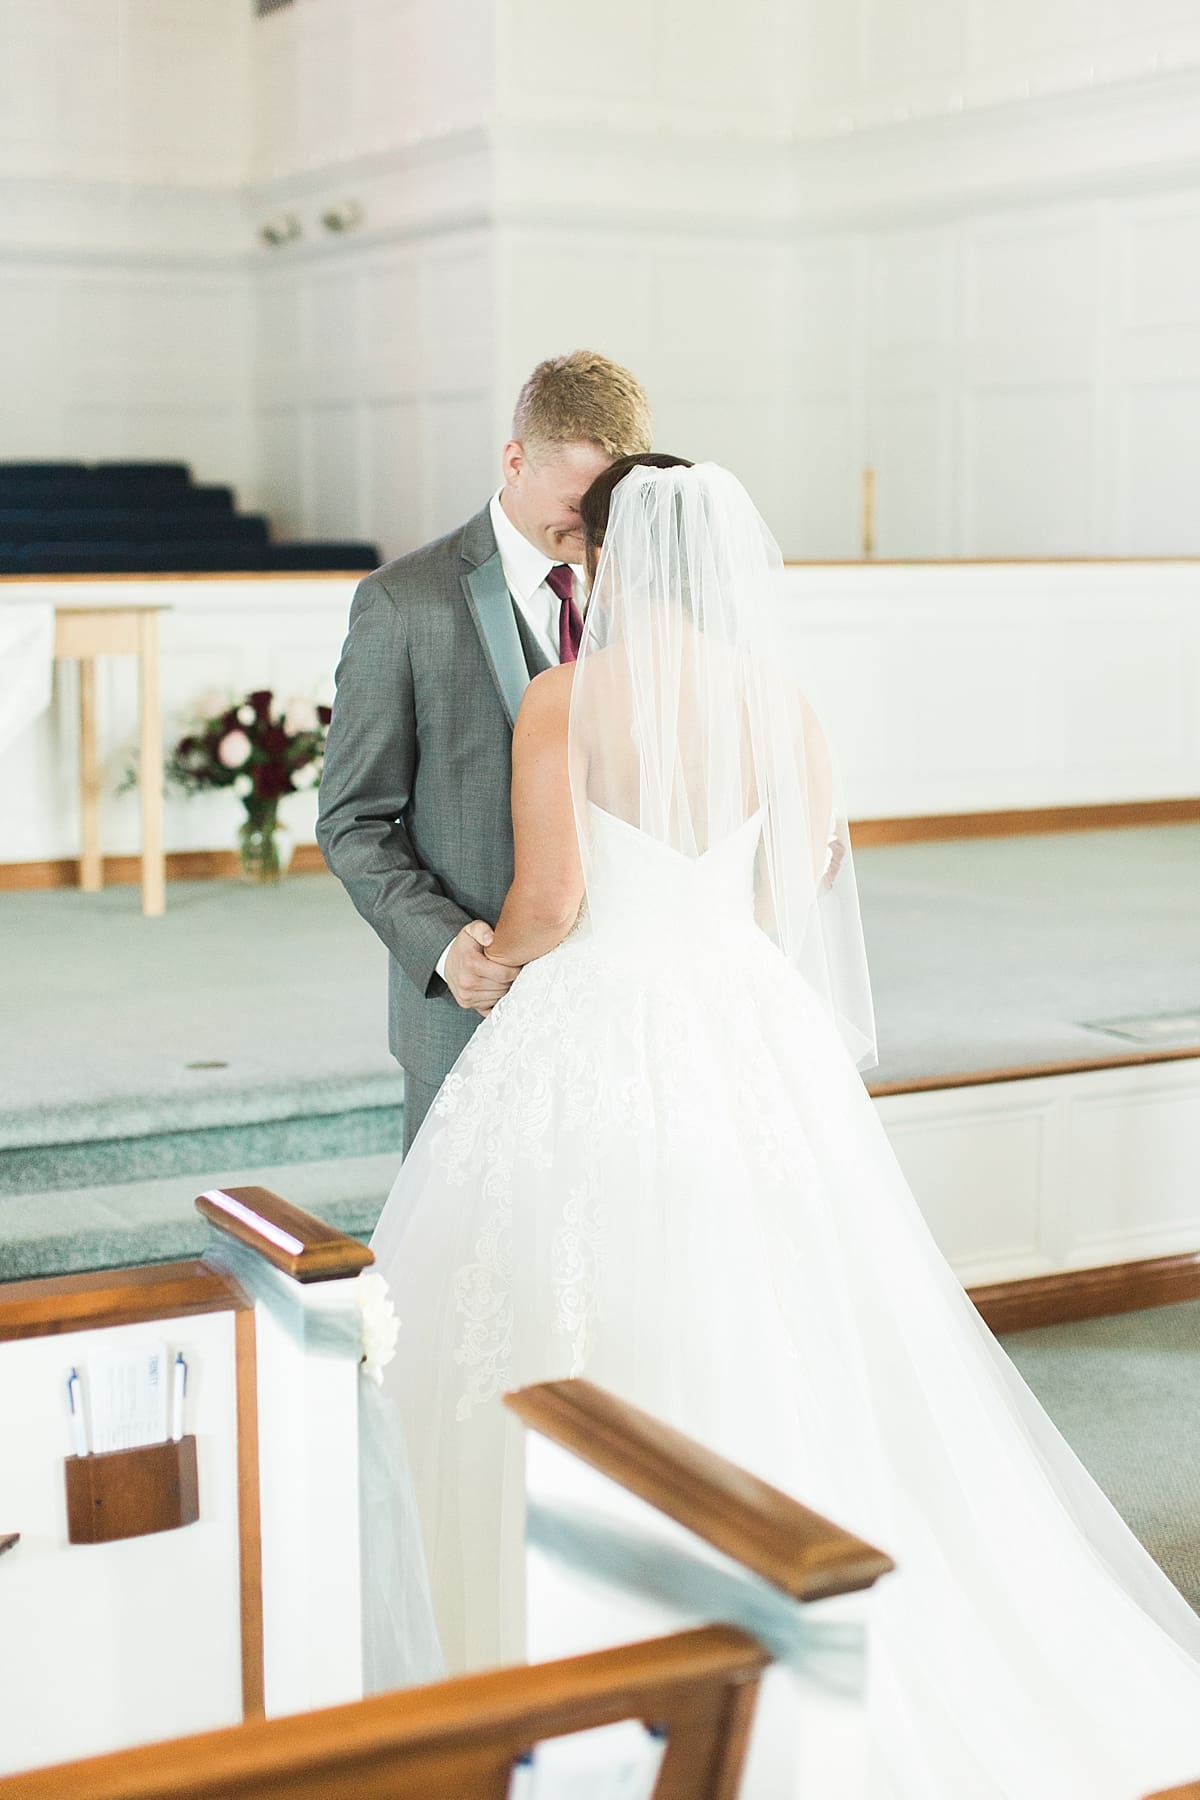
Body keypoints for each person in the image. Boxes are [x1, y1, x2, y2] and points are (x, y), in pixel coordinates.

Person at [367, 458, 1200, 1796]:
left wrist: (486, 961)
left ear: (619, 561)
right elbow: (795, 879)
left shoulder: (567, 697)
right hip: (745, 1015)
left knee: (545, 1294)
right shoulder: (782, 702)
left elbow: (551, 901)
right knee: (781, 1295)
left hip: (603, 1006)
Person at [317, 351, 653, 1149]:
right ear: (514, 460)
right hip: (477, 1008)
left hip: (625, 1014)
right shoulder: (404, 603)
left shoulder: (656, 596)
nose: (593, 528)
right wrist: (440, 945)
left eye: (613, 504)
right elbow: (351, 819)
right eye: (577, 502)